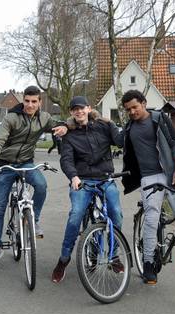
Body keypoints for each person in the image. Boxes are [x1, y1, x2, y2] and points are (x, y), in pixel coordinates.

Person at [120, 89, 175, 285]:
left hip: (170, 173)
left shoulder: (159, 119)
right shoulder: (129, 129)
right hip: (149, 178)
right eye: (128, 109)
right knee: (151, 218)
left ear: (143, 103)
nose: (132, 112)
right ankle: (148, 262)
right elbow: (113, 138)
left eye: (135, 107)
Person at [0, 85, 68, 269]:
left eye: (34, 102)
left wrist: (65, 127)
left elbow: (60, 124)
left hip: (25, 163)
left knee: (41, 185)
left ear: (40, 102)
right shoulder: (11, 118)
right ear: (23, 101)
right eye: (27, 101)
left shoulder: (44, 118)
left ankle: (34, 220)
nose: (30, 105)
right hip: (6, 164)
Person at [51, 96, 124, 283]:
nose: (79, 112)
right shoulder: (68, 134)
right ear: (71, 112)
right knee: (75, 215)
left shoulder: (104, 126)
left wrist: (115, 124)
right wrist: (73, 176)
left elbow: (121, 141)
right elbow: (66, 159)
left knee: (115, 214)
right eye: (75, 109)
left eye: (82, 108)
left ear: (89, 108)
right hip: (82, 181)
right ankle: (64, 259)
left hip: (105, 179)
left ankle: (114, 254)